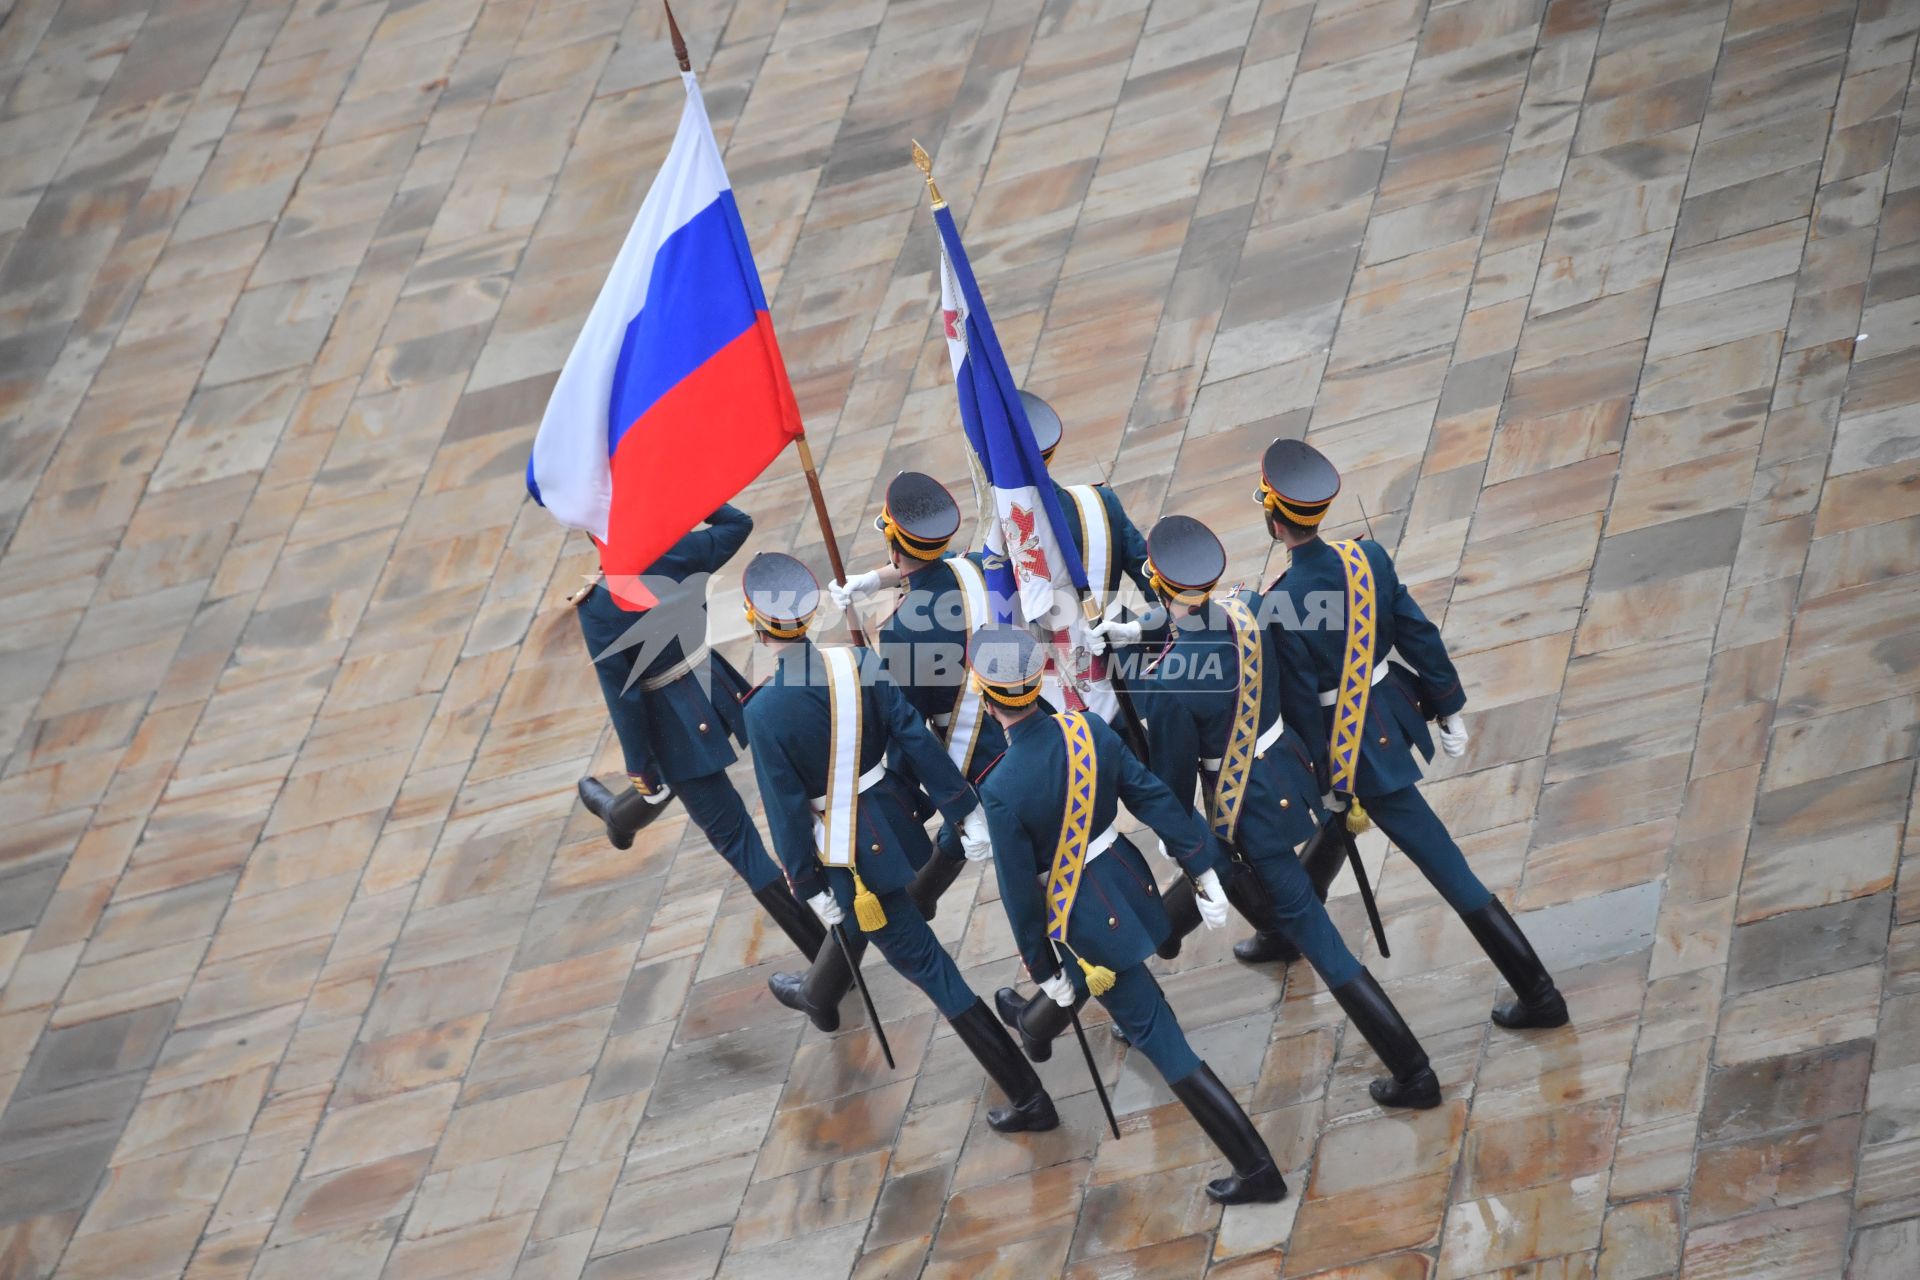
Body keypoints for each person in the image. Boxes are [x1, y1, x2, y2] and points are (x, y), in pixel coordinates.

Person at [1256, 439, 1569, 1030]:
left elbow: (1298, 705)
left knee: (1445, 864)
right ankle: (1283, 924)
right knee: (1336, 831)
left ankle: (1540, 993)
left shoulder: (1280, 604)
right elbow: (1417, 634)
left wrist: (1318, 776)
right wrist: (1448, 705)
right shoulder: (1366, 557)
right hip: (1390, 715)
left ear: (1274, 519)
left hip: (1350, 751)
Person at [1130, 514, 1442, 1107]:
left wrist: (1185, 849)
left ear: (1161, 587)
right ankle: (1188, 935)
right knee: (1278, 906)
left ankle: (1414, 1071)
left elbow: (1172, 790)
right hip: (1291, 776)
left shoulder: (1168, 684)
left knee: (1320, 939)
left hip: (1248, 811)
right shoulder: (1250, 607)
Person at [968, 624, 1286, 1204]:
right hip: (1127, 883)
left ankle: (1257, 1168)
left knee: (1165, 1042)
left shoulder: (1002, 787)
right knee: (1145, 1018)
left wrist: (1043, 969)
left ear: (988, 703)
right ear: (1037, 682)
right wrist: (1200, 867)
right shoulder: (1086, 729)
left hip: (1085, 925)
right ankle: (1052, 1022)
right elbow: (1155, 798)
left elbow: (1019, 893)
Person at [741, 553, 1058, 1134]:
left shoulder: (762, 712)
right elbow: (912, 735)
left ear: (754, 623)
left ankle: (1030, 1097)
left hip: (852, 862)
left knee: (935, 972)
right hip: (896, 824)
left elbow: (787, 810)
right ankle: (821, 990)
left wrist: (806, 884)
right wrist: (962, 808)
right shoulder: (856, 660)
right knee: (889, 940)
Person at [572, 504, 822, 961]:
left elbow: (624, 699)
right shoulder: (675, 549)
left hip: (674, 724)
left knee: (740, 844)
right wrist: (680, 499)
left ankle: (827, 960)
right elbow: (738, 525)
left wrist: (641, 768)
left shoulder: (596, 606)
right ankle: (617, 816)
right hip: (720, 688)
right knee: (803, 793)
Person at [823, 472, 1006, 917]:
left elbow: (906, 725)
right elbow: (927, 573)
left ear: (894, 547)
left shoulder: (905, 633)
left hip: (981, 761)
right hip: (1018, 719)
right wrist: (875, 580)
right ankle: (919, 896)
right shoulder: (976, 566)